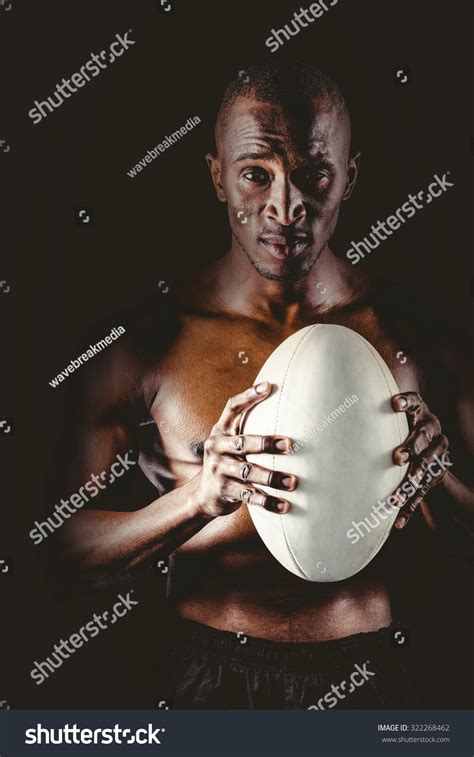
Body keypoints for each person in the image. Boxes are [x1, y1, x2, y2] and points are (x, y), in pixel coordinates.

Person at [55, 62, 473, 709]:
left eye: (313, 174)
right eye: (257, 173)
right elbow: (61, 552)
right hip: (206, 678)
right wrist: (195, 498)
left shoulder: (417, 337)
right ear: (218, 178)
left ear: (349, 177)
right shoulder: (147, 343)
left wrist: (438, 485)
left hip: (370, 678)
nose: (284, 207)